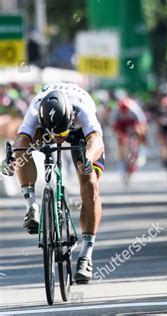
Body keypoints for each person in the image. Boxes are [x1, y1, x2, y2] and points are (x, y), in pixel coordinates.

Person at [2, 82, 105, 284]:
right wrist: (13, 159)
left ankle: (86, 254)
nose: (58, 139)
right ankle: (31, 206)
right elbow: (21, 141)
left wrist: (88, 159)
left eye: (60, 134)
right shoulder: (34, 110)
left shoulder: (82, 108)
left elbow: (96, 141)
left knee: (91, 186)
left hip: (78, 133)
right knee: (22, 153)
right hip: (44, 128)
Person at [111, 96, 147, 179]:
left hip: (132, 124)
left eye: (126, 109)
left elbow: (142, 123)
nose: (124, 112)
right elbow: (113, 125)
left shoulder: (134, 110)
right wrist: (118, 135)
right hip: (121, 125)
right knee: (120, 142)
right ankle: (121, 163)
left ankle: (140, 151)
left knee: (139, 133)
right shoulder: (116, 111)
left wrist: (140, 135)